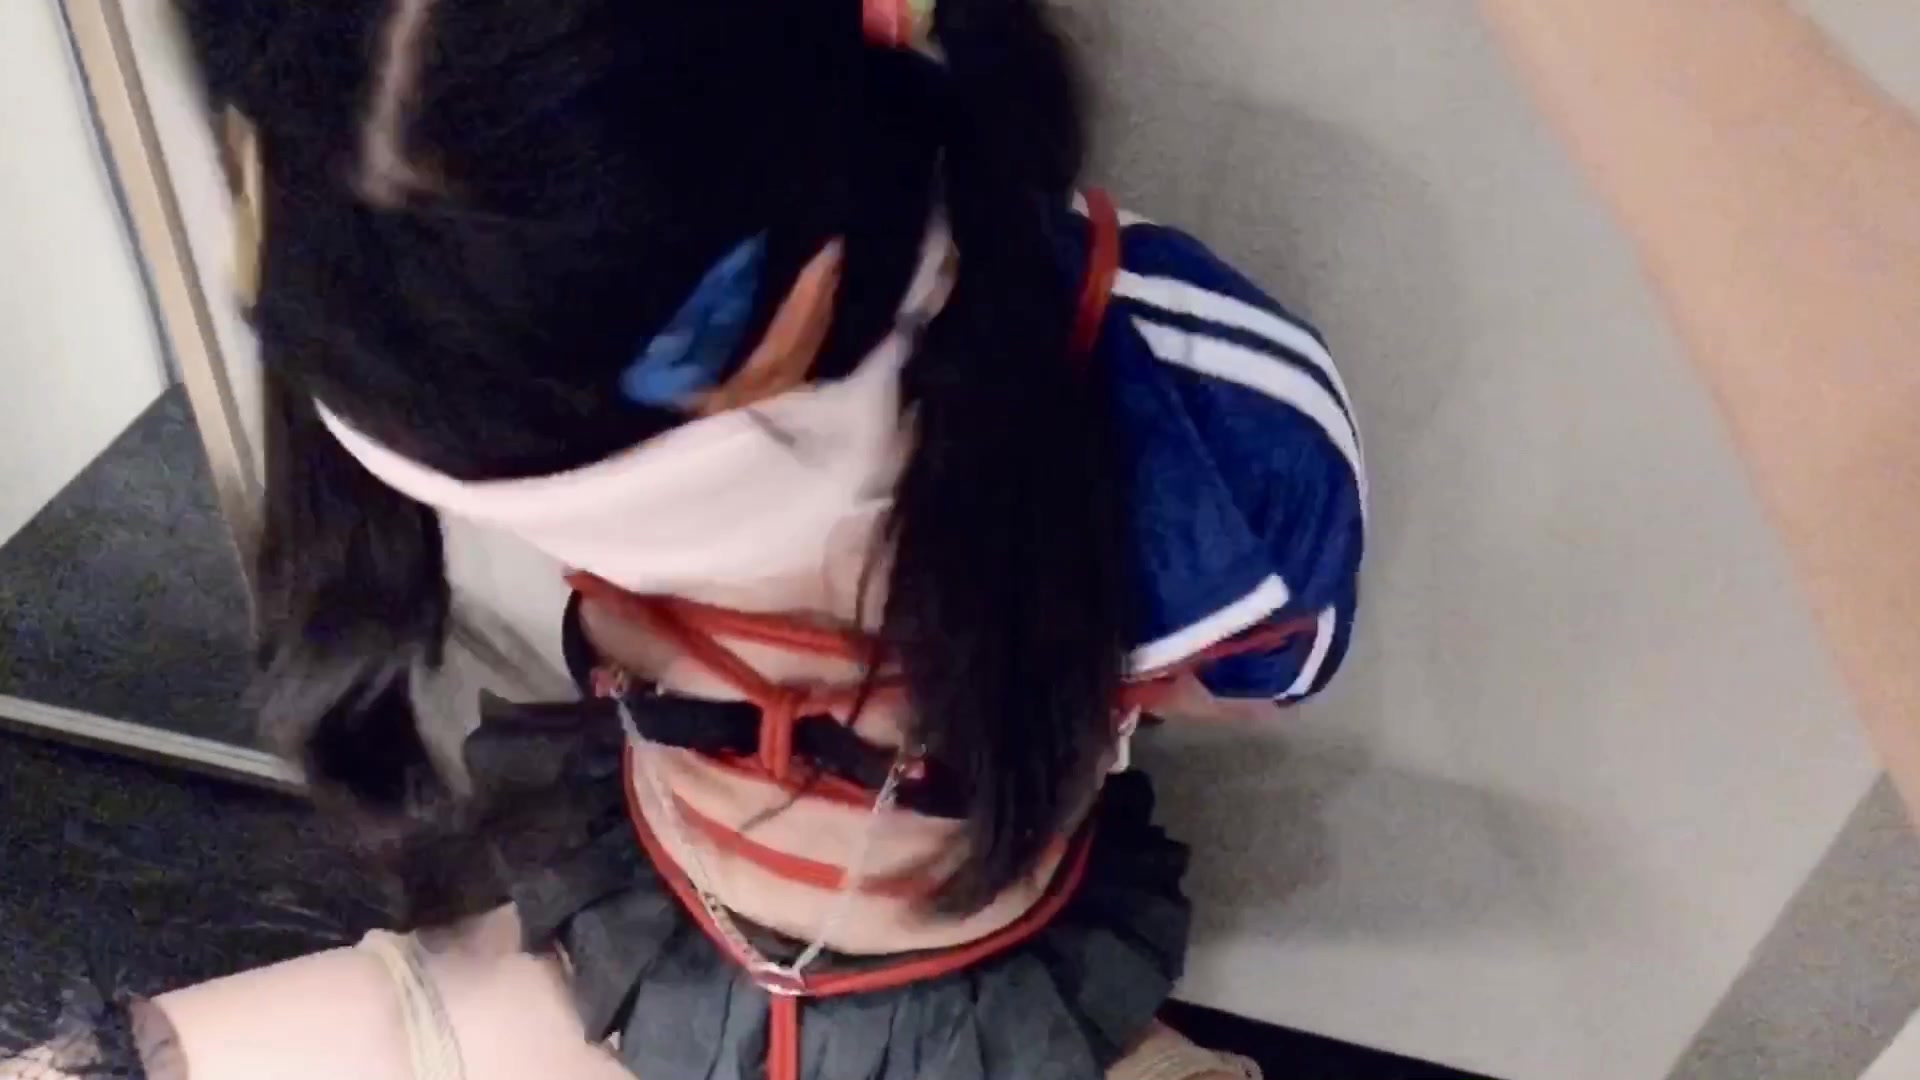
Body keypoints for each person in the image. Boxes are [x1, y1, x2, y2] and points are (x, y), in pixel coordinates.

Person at [3, 0, 1364, 1077]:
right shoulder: (423, 302)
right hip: (650, 926)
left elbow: (1263, 660)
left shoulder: (1197, 435)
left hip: (973, 985)